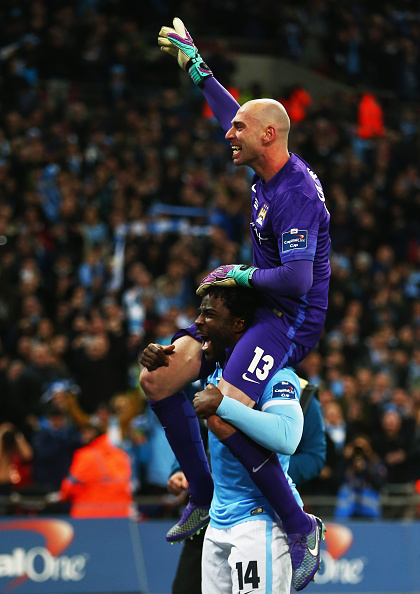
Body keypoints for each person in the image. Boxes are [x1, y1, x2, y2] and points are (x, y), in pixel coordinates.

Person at [140, 17, 330, 590]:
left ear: (268, 135)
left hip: (289, 320)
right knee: (160, 379)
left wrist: (240, 271)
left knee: (222, 409)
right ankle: (201, 493)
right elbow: (228, 112)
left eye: (242, 128)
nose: (230, 134)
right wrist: (199, 68)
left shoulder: (294, 194)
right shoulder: (264, 169)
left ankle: (299, 526)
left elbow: (296, 282)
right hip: (258, 306)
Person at [141, 286, 325, 592]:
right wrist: (160, 363)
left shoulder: (274, 373)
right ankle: (201, 497)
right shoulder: (218, 371)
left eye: (209, 314)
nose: (197, 322)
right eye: (199, 312)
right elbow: (182, 405)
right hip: (218, 521)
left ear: (238, 323)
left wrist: (223, 405)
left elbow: (289, 437)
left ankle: (301, 526)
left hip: (261, 521)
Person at [166, 378, 326, 594]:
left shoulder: (295, 387)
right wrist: (183, 469)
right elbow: (201, 434)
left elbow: (312, 455)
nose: (204, 343)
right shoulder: (215, 377)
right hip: (216, 511)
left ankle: (299, 523)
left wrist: (268, 471)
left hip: (262, 509)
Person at [58, 423, 134, 518]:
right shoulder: (121, 455)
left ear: (93, 433)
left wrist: (62, 497)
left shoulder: (84, 456)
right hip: (121, 513)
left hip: (89, 513)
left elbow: (69, 486)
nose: (83, 436)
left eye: (85, 432)